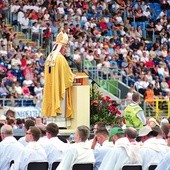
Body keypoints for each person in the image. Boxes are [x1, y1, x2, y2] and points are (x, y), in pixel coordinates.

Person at [42, 30, 75, 119]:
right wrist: (73, 77)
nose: (66, 50)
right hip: (58, 86)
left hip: (50, 86)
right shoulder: (60, 58)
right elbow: (67, 76)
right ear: (62, 47)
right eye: (65, 48)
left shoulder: (50, 56)